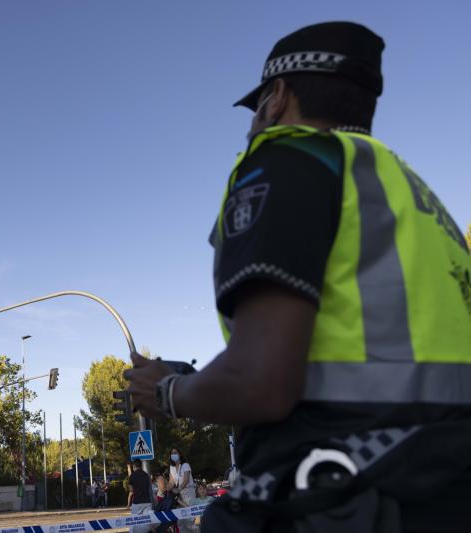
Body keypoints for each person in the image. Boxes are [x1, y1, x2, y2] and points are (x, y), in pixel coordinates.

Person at [123, 21, 471, 532]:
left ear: (277, 97)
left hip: (338, 493)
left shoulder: (288, 159)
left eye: (255, 110)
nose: (251, 130)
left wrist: (169, 393)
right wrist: (204, 380)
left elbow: (263, 383)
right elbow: (353, 361)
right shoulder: (411, 196)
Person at [167, 449, 195, 533]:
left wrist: (178, 489)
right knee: (181, 520)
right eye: (172, 453)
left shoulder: (185, 465)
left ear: (180, 454)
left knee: (190, 519)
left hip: (188, 492)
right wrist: (166, 488)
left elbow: (186, 480)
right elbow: (171, 482)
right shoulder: (171, 467)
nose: (173, 454)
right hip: (178, 495)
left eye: (175, 452)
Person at [126, 460, 152, 533]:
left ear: (134, 466)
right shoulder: (146, 475)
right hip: (147, 502)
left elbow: (131, 490)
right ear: (141, 466)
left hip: (137, 502)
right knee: (147, 523)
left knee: (134, 523)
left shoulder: (132, 476)